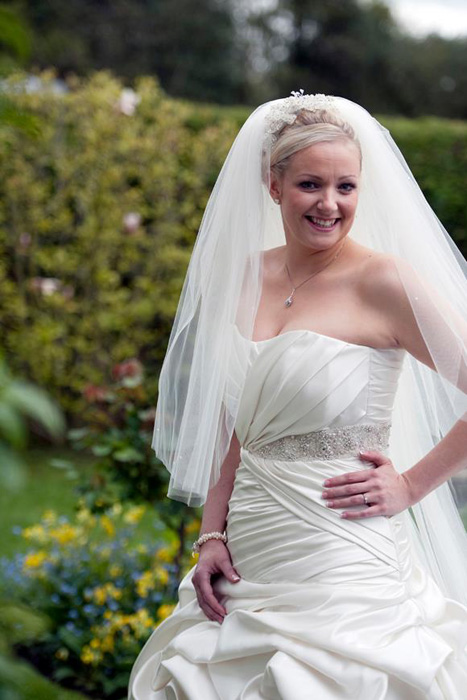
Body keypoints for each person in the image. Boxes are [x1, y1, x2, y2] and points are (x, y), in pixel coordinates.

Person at [128, 93, 467, 699]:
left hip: (344, 556)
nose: (329, 204)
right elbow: (238, 421)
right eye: (310, 184)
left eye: (346, 186)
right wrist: (211, 534)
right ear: (274, 185)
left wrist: (412, 485)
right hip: (252, 549)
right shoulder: (244, 276)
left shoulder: (383, 281)